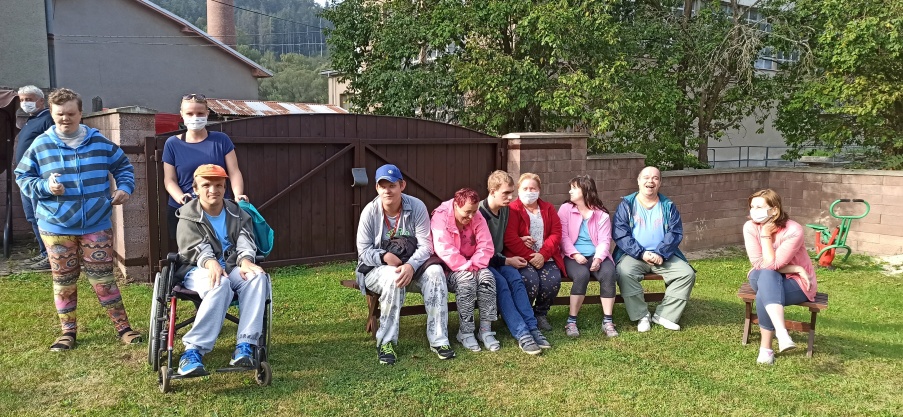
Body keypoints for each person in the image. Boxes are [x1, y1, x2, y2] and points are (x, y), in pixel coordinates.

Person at [15, 88, 142, 351]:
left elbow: (123, 167)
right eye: (60, 114)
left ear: (81, 113)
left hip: (96, 224)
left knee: (103, 278)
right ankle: (67, 333)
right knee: (64, 280)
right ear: (52, 114)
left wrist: (125, 188)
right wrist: (46, 187)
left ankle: (124, 329)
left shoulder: (100, 143)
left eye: (71, 113)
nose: (65, 118)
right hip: (55, 227)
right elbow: (23, 177)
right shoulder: (41, 145)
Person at [174, 164, 271, 376]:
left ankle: (245, 345)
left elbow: (246, 238)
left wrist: (245, 259)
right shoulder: (187, 215)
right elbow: (193, 246)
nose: (213, 190)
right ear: (195, 189)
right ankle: (192, 352)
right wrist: (211, 262)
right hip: (197, 268)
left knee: (257, 277)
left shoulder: (237, 212)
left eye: (218, 185)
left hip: (232, 265)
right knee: (219, 282)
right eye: (206, 185)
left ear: (225, 187)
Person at [356, 164, 454, 365]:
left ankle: (439, 340)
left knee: (436, 272)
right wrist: (384, 256)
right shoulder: (369, 212)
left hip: (413, 266)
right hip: (376, 269)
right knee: (394, 277)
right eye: (382, 186)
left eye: (392, 185)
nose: (387, 190)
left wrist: (411, 266)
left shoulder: (416, 207)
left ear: (402, 185)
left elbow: (426, 246)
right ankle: (386, 342)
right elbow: (363, 252)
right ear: (377, 188)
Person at [613, 166, 696, 332]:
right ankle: (641, 315)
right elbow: (620, 233)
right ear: (638, 181)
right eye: (646, 177)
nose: (650, 181)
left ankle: (665, 315)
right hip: (633, 255)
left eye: (655, 178)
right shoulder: (627, 205)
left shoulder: (668, 206)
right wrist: (641, 253)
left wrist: (660, 253)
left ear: (660, 183)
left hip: (663, 256)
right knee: (623, 272)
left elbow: (675, 232)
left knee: (686, 274)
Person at [478, 171, 549, 355]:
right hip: (483, 264)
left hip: (500, 260)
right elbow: (480, 252)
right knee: (501, 284)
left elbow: (504, 237)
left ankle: (532, 327)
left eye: (511, 193)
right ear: (492, 191)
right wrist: (507, 260)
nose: (510, 198)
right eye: (506, 193)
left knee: (516, 279)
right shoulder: (479, 213)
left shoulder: (505, 210)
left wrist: (520, 239)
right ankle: (522, 333)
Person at [743, 189, 817, 365]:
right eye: (752, 207)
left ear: (774, 210)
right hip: (765, 274)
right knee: (767, 276)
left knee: (763, 292)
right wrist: (796, 267)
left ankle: (766, 349)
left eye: (759, 207)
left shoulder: (793, 230)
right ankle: (781, 332)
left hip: (797, 283)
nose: (754, 211)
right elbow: (759, 262)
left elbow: (770, 264)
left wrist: (766, 235)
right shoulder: (750, 227)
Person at [163, 93, 248, 238]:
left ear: (207, 114)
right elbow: (169, 180)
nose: (195, 117)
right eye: (190, 113)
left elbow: (234, 172)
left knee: (223, 248)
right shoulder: (172, 144)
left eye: (200, 113)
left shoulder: (221, 140)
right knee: (189, 251)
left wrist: (238, 195)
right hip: (185, 211)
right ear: (182, 114)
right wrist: (181, 197)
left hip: (218, 208)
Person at [431, 188, 499, 352]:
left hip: (475, 265)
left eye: (474, 212)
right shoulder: (440, 216)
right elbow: (444, 249)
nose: (471, 216)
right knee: (466, 281)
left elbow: (486, 245)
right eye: (467, 212)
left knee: (487, 277)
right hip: (449, 269)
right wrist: (466, 267)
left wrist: (474, 265)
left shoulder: (476, 215)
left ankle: (485, 330)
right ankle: (465, 332)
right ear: (456, 205)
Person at [558, 175, 619, 338]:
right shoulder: (565, 209)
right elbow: (563, 237)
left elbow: (605, 241)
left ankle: (608, 321)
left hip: (596, 254)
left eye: (574, 188)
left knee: (609, 273)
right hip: (572, 255)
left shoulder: (601, 214)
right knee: (581, 275)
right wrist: (575, 254)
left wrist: (598, 259)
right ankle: (571, 321)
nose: (570, 191)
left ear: (585, 190)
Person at [503, 173, 564, 332]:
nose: (529, 192)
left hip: (546, 256)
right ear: (518, 190)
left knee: (552, 280)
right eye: (525, 188)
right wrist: (531, 257)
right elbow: (510, 238)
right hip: (521, 257)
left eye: (533, 188)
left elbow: (556, 233)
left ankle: (540, 314)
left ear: (539, 190)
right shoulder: (512, 209)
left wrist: (543, 255)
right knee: (530, 280)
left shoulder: (548, 208)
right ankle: (523, 313)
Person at [14, 85, 54, 271]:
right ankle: (44, 252)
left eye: (28, 99)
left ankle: (52, 256)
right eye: (22, 100)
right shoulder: (31, 121)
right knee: (32, 216)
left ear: (41, 100)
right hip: (26, 178)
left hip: (39, 178)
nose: (24, 103)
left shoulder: (48, 119)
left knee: (42, 216)